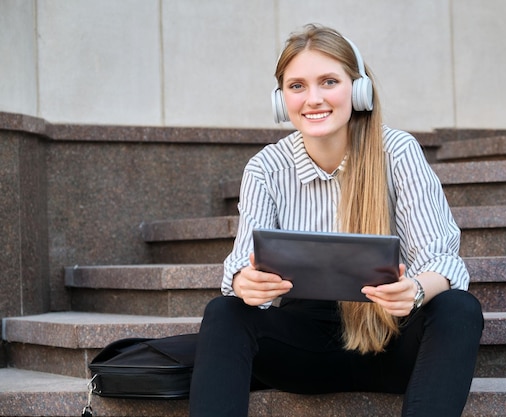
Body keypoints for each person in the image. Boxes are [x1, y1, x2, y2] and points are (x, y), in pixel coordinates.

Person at [189, 23, 484, 417]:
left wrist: (413, 289)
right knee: (224, 312)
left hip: (390, 340)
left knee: (458, 309)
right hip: (305, 350)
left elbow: (442, 259)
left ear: (358, 89)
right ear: (281, 100)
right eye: (297, 86)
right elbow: (242, 265)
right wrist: (248, 282)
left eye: (329, 81)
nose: (313, 99)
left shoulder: (396, 151)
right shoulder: (266, 168)